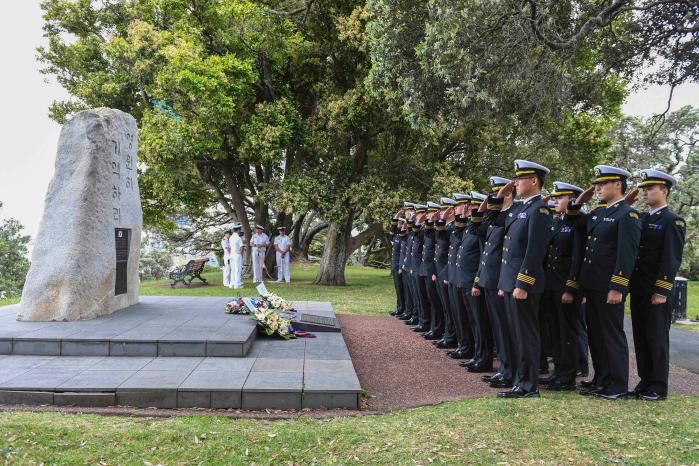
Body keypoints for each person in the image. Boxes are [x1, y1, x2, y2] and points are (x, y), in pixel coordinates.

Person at [576, 165, 641, 400]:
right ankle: (601, 378)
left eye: (603, 183)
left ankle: (618, 384)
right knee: (595, 334)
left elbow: (627, 254)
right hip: (592, 285)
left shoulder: (627, 215)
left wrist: (618, 286)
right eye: (597, 184)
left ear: (618, 185)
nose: (598, 187)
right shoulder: (600, 213)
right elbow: (575, 220)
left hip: (609, 286)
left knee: (611, 334)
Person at [496, 160, 552, 399]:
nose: (515, 183)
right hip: (510, 282)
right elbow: (502, 236)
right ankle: (519, 381)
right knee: (515, 334)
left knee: (525, 334)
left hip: (523, 284)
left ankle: (529, 385)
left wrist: (523, 282)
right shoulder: (521, 209)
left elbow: (534, 251)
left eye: (520, 179)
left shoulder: (539, 210)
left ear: (534, 181)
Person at [629, 169, 686, 401]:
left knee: (657, 338)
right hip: (640, 288)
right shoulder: (643, 218)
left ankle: (659, 386)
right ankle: (646, 380)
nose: (644, 192)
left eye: (650, 188)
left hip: (656, 291)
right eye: (643, 188)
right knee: (641, 337)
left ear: (664, 191)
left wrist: (662, 290)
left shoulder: (673, 221)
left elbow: (671, 259)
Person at [539, 181, 586, 392]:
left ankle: (568, 377)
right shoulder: (557, 222)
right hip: (551, 284)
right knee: (555, 332)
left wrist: (571, 287)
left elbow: (577, 257)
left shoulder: (576, 223)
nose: (556, 201)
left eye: (561, 197)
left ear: (573, 200)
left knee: (567, 332)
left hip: (565, 286)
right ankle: (558, 371)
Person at [476, 176, 517, 389]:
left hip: (500, 280)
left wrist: (500, 195)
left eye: (497, 193)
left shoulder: (511, 215)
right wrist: (492, 200)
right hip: (491, 279)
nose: (493, 197)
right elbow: (479, 225)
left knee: (504, 329)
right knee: (498, 328)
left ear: (508, 193)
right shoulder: (498, 217)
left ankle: (509, 371)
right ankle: (504, 370)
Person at [433, 197, 458, 349]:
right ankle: (449, 335)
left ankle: (452, 337)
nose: (444, 212)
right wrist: (441, 219)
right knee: (447, 308)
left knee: (451, 309)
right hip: (444, 271)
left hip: (448, 271)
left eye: (446, 209)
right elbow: (439, 236)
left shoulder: (456, 227)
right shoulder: (449, 228)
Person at [419, 202, 445, 340]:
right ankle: (434, 328)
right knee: (432, 301)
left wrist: (437, 220)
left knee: (437, 303)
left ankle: (437, 329)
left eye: (431, 213)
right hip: (430, 269)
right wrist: (429, 221)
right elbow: (425, 232)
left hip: (435, 270)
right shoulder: (432, 229)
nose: (428, 215)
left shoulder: (441, 229)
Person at [230, 223, 245, 289]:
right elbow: (241, 247)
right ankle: (237, 284)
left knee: (233, 270)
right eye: (240, 229)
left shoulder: (231, 237)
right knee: (238, 270)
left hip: (231, 254)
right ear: (238, 230)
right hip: (237, 254)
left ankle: (232, 284)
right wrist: (241, 255)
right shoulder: (238, 238)